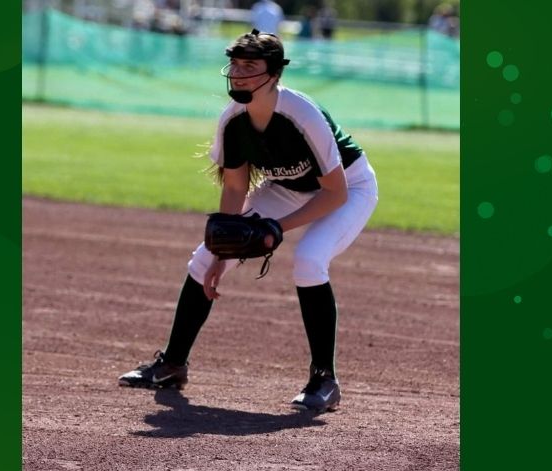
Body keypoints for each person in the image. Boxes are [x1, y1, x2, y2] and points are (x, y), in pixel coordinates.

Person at [117, 29, 379, 413]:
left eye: (250, 66)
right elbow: (236, 191)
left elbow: (334, 192)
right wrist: (223, 252)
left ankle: (324, 379)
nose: (238, 74)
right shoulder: (233, 121)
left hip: (349, 188)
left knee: (309, 259)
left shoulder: (301, 114)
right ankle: (173, 363)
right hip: (286, 187)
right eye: (235, 65)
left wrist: (276, 228)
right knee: (204, 257)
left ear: (274, 74)